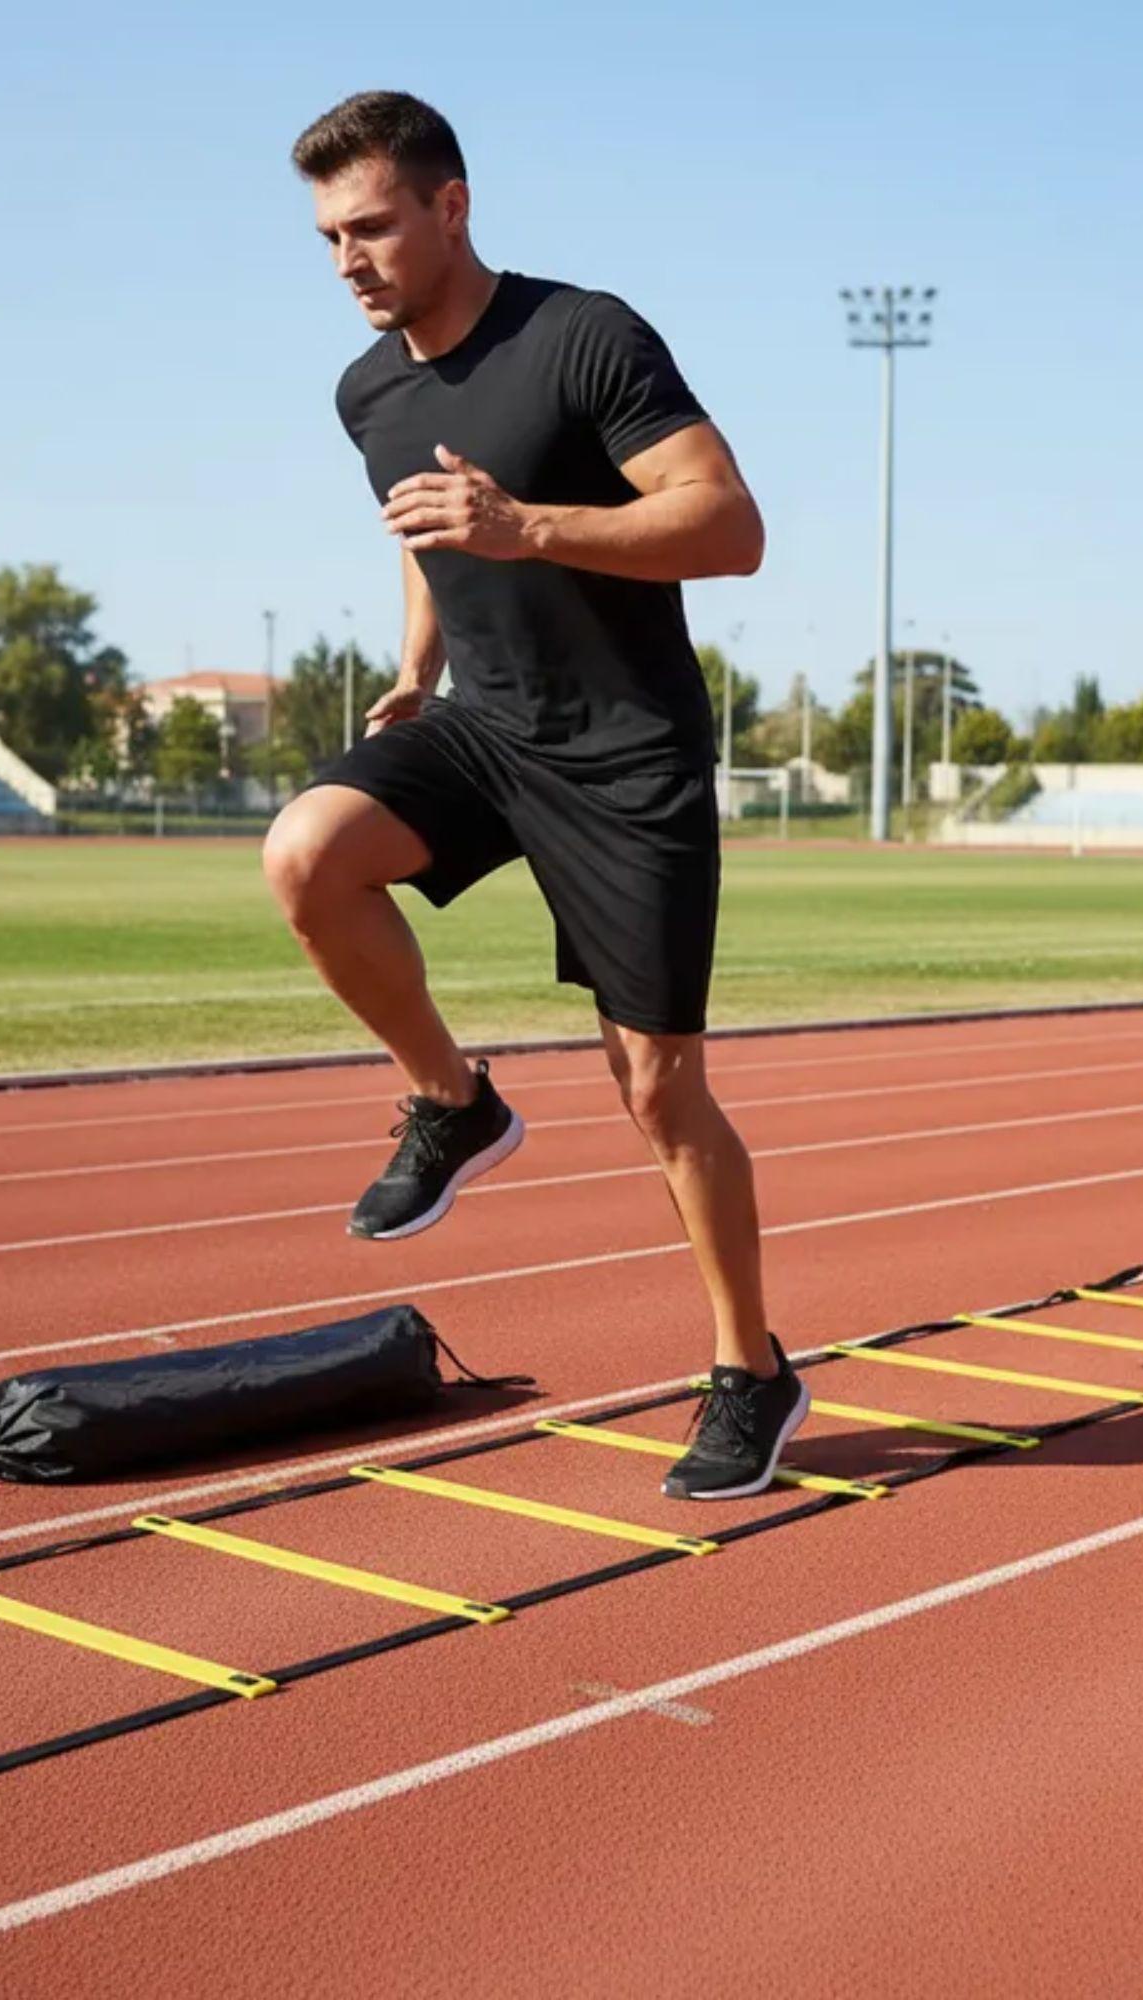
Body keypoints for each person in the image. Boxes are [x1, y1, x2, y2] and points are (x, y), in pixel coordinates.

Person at [263, 90, 804, 1501]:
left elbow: (731, 528)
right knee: (307, 851)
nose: (349, 261)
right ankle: (453, 1102)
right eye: (327, 237)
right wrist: (416, 659)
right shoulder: (366, 389)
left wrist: (527, 524)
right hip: (484, 729)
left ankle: (751, 1371)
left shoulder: (585, 335)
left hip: (625, 758)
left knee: (659, 1089)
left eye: (372, 225)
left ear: (451, 206)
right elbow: (419, 517)